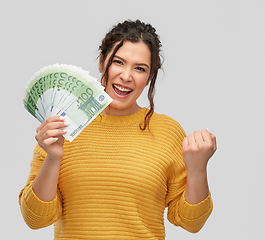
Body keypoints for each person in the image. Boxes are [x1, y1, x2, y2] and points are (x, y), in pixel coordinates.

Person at [19, 19, 217, 239]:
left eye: (140, 68)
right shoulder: (63, 125)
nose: (126, 76)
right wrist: (53, 158)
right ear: (102, 62)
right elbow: (35, 219)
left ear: (149, 76)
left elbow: (192, 222)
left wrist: (198, 169)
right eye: (118, 62)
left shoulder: (167, 131)